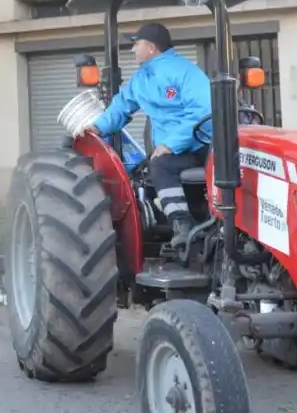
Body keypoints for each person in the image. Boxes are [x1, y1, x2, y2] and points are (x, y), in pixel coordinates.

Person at [83, 23, 212, 247]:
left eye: (136, 44)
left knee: (161, 164)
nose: (132, 49)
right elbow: (121, 107)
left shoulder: (185, 72)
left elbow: (203, 112)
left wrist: (171, 144)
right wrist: (96, 128)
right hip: (173, 153)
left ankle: (183, 225)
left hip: (201, 145)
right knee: (152, 168)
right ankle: (179, 225)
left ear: (151, 47)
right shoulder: (141, 79)